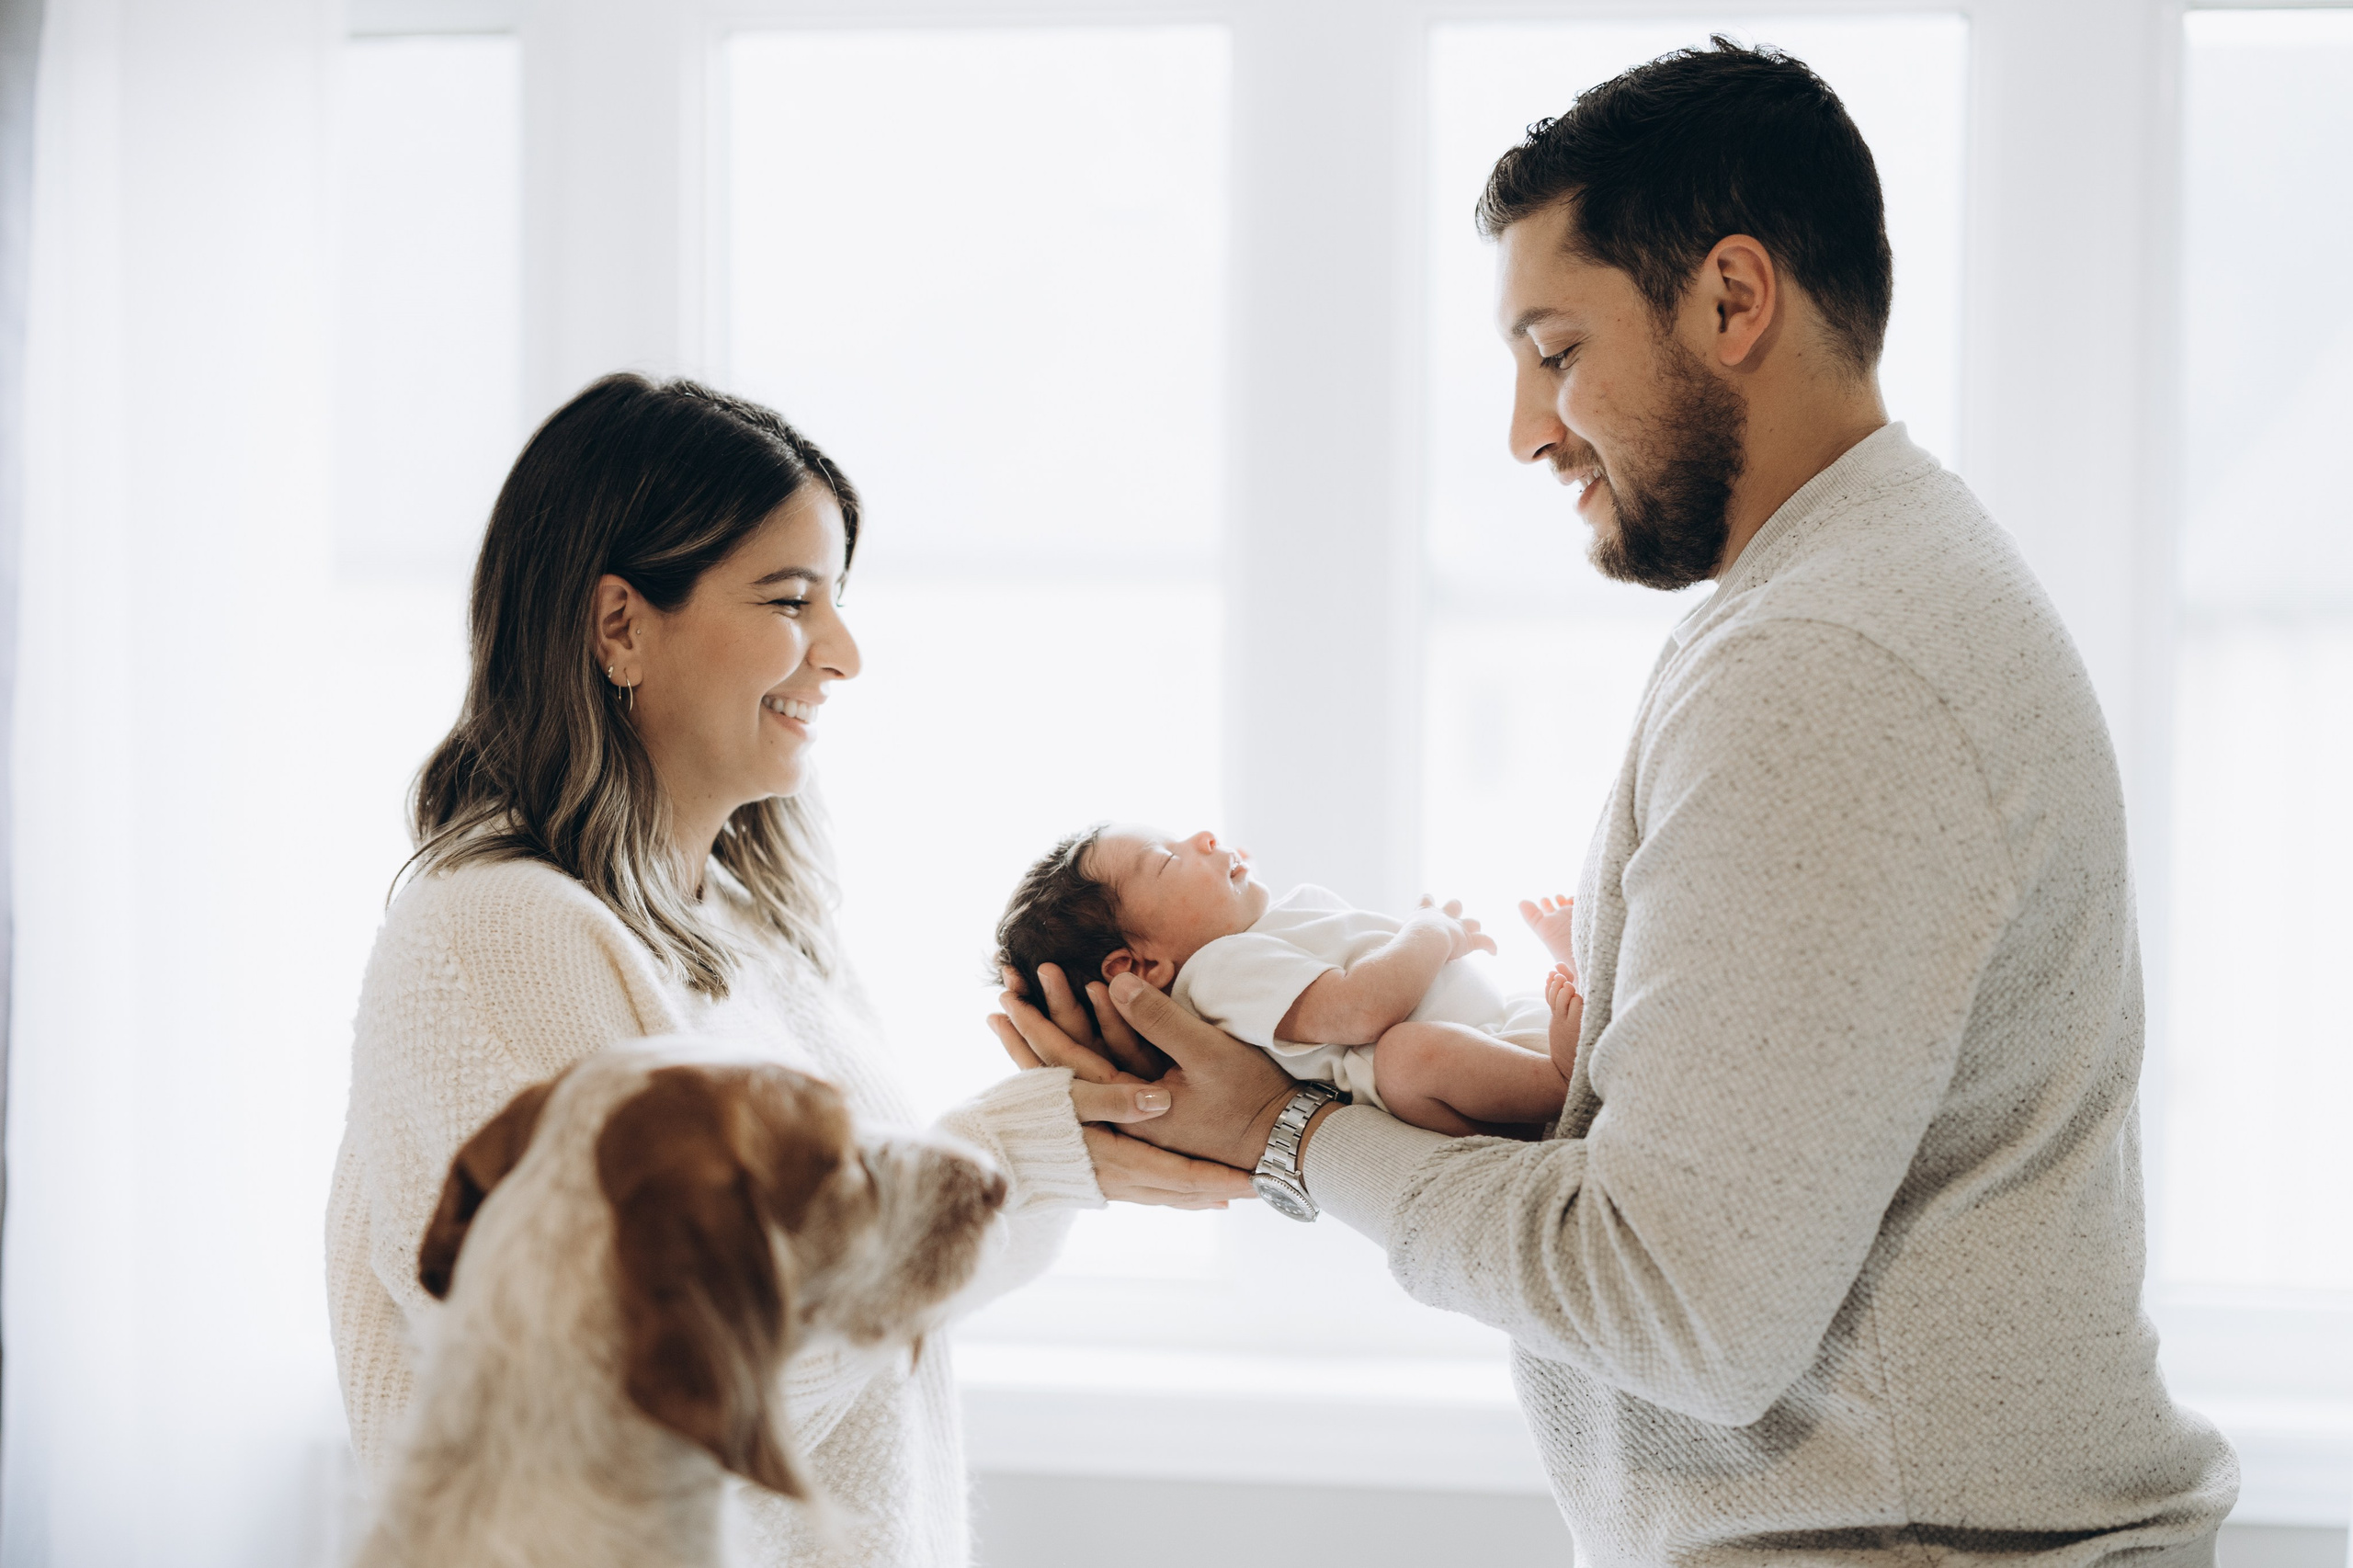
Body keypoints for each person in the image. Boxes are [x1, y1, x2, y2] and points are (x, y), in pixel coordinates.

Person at [996, 39, 2240, 1568]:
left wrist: (1287, 1136)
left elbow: (1683, 1308)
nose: (1528, 427)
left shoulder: (1828, 660)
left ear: (1733, 300)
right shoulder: (1868, 594)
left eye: (1557, 349)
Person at [324, 373, 1249, 1567]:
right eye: (790, 598)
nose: (844, 653)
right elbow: (639, 1406)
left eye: (838, 599)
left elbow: (871, 1308)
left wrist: (1068, 1131)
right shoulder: (496, 937)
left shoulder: (756, 924)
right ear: (619, 626)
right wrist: (998, 1160)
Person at [995, 822, 1585, 1136]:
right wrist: (1430, 932)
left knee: (1545, 1000)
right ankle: (1559, 1081)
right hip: (1450, 1089)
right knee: (1405, 1056)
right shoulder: (1217, 971)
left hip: (1492, 1034)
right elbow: (1358, 1011)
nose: (1203, 837)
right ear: (1141, 966)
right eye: (1169, 859)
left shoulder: (1269, 929)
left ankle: (1577, 995)